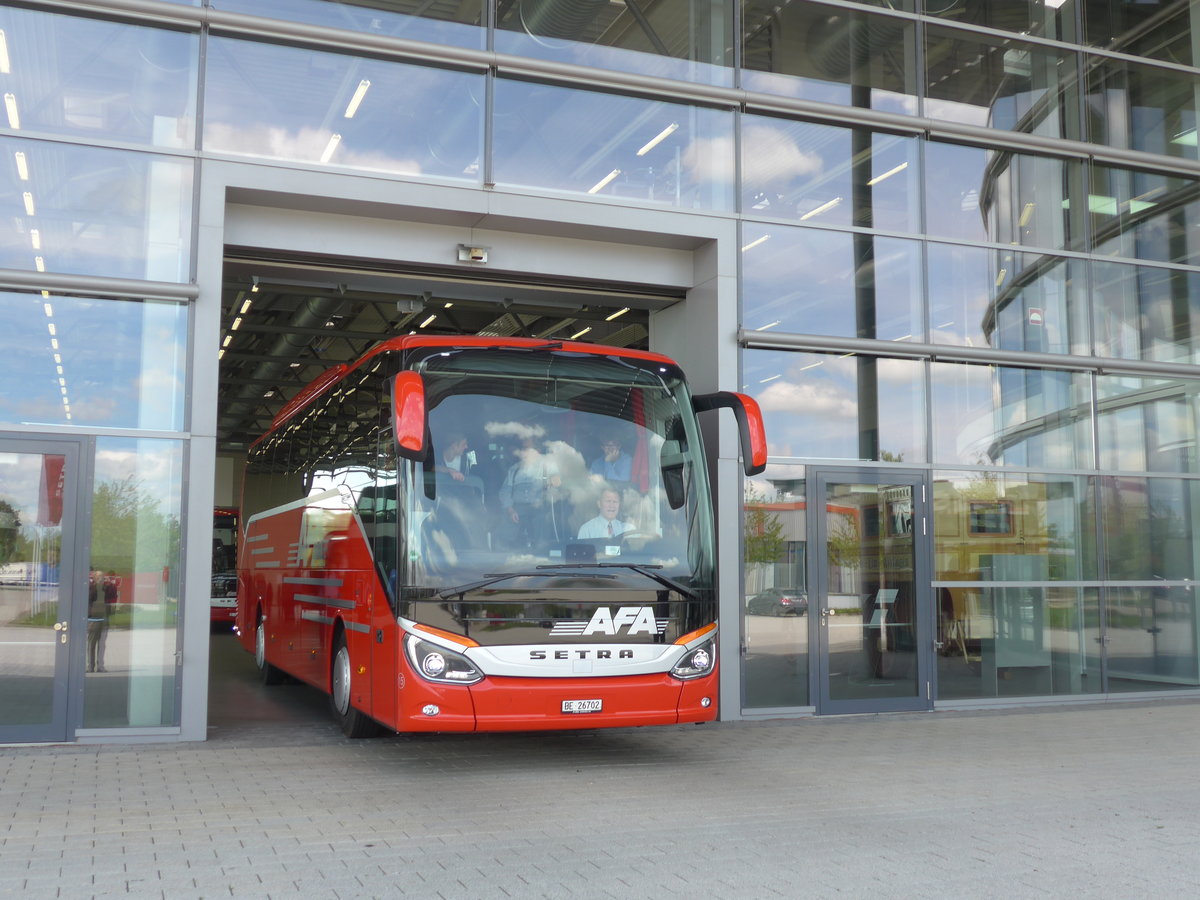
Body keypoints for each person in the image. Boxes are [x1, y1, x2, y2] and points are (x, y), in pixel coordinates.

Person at [499, 436, 562, 549]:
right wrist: (510, 509)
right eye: (522, 449)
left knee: (542, 531)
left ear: (537, 451)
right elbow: (505, 491)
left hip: (540, 508)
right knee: (504, 537)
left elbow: (557, 479)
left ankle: (541, 552)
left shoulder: (547, 464)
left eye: (527, 448)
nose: (523, 452)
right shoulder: (514, 469)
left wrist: (555, 480)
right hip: (517, 508)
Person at [86, 571, 110, 673]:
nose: (102, 579)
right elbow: (88, 601)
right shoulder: (91, 588)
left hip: (104, 620)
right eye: (99, 577)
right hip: (93, 620)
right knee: (91, 644)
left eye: (103, 577)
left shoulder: (106, 589)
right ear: (95, 578)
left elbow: (110, 601)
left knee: (102, 644)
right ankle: (90, 666)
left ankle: (100, 666)